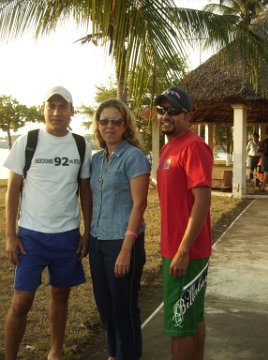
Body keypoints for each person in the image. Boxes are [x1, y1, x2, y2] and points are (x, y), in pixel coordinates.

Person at [4, 86, 92, 360]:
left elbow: (85, 190)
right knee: (21, 302)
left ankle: (56, 351)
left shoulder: (80, 144)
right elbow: (13, 189)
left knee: (61, 295)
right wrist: (10, 234)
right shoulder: (27, 141)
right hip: (31, 237)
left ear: (71, 111)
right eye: (51, 106)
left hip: (66, 236)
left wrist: (87, 231)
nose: (56, 112)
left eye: (62, 106)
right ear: (43, 109)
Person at [89, 99, 150, 360]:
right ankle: (114, 354)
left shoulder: (134, 157)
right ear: (98, 126)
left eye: (116, 121)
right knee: (105, 306)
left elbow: (140, 204)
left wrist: (126, 249)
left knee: (123, 309)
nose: (110, 126)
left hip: (123, 241)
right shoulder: (96, 160)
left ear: (126, 126)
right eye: (104, 121)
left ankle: (130, 355)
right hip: (97, 240)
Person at [155, 86, 213, 360]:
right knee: (192, 316)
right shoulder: (170, 148)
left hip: (185, 253)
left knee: (179, 325)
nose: (166, 115)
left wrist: (183, 250)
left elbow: (202, 201)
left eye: (173, 111)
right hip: (175, 248)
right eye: (161, 110)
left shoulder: (193, 146)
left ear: (188, 116)